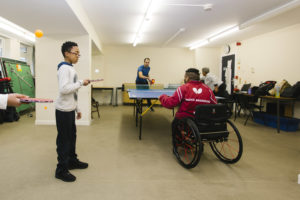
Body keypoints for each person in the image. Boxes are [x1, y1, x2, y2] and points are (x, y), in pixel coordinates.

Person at [55, 41, 90, 182]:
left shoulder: (70, 68)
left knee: (71, 138)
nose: (78, 56)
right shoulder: (64, 69)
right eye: (76, 53)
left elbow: (72, 91)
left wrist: (77, 108)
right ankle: (61, 170)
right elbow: (64, 89)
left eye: (78, 53)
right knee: (64, 141)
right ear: (67, 53)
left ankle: (71, 161)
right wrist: (81, 83)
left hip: (69, 110)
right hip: (63, 111)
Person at [159, 68, 217, 147]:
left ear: (187, 78)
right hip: (203, 120)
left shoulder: (183, 88)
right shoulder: (208, 90)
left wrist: (163, 97)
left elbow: (171, 103)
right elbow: (214, 105)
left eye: (184, 77)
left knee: (174, 123)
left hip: (185, 119)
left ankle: (178, 143)